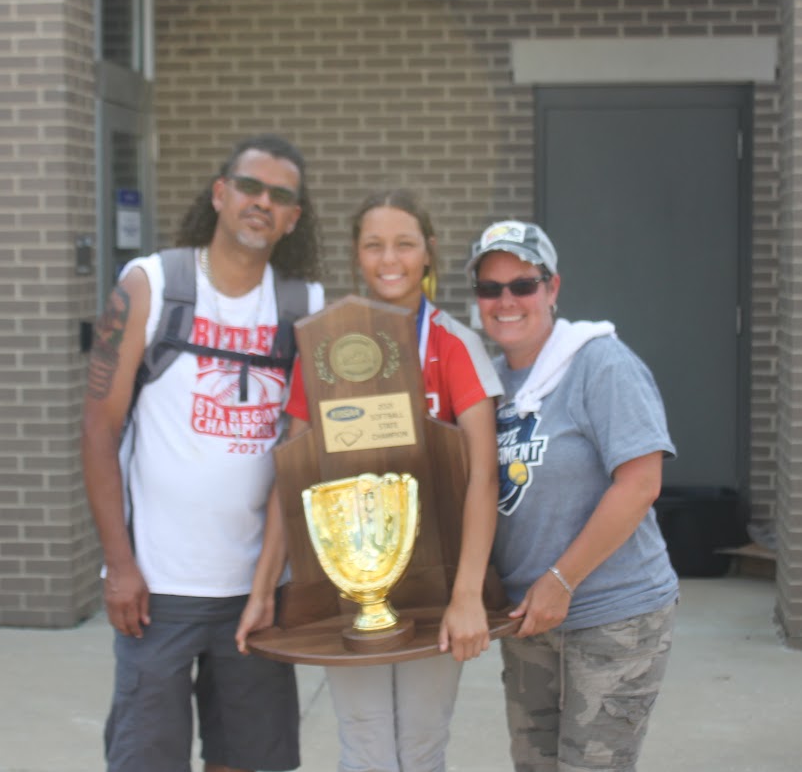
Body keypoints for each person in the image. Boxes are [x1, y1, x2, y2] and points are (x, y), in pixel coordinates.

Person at [236, 189, 502, 772]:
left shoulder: (455, 344)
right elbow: (295, 475)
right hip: (344, 587)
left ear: (428, 253)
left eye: (405, 244)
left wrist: (467, 596)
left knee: (422, 745)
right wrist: (263, 592)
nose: (390, 259)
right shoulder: (326, 348)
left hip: (439, 585)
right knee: (364, 744)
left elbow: (483, 477)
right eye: (374, 245)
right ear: (357, 255)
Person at [82, 134, 324, 772]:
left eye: (280, 196)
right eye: (249, 186)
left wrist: (275, 583)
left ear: (293, 218)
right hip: (157, 589)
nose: (261, 202)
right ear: (220, 194)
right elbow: (98, 431)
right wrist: (118, 566)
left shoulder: (306, 308)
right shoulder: (152, 286)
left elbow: (307, 456)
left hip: (257, 592)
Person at [467, 219, 679, 772]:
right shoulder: (489, 383)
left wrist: (561, 581)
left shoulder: (599, 363)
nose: (505, 300)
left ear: (552, 288)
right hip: (528, 620)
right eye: (490, 289)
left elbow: (640, 484)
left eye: (523, 285)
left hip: (611, 611)